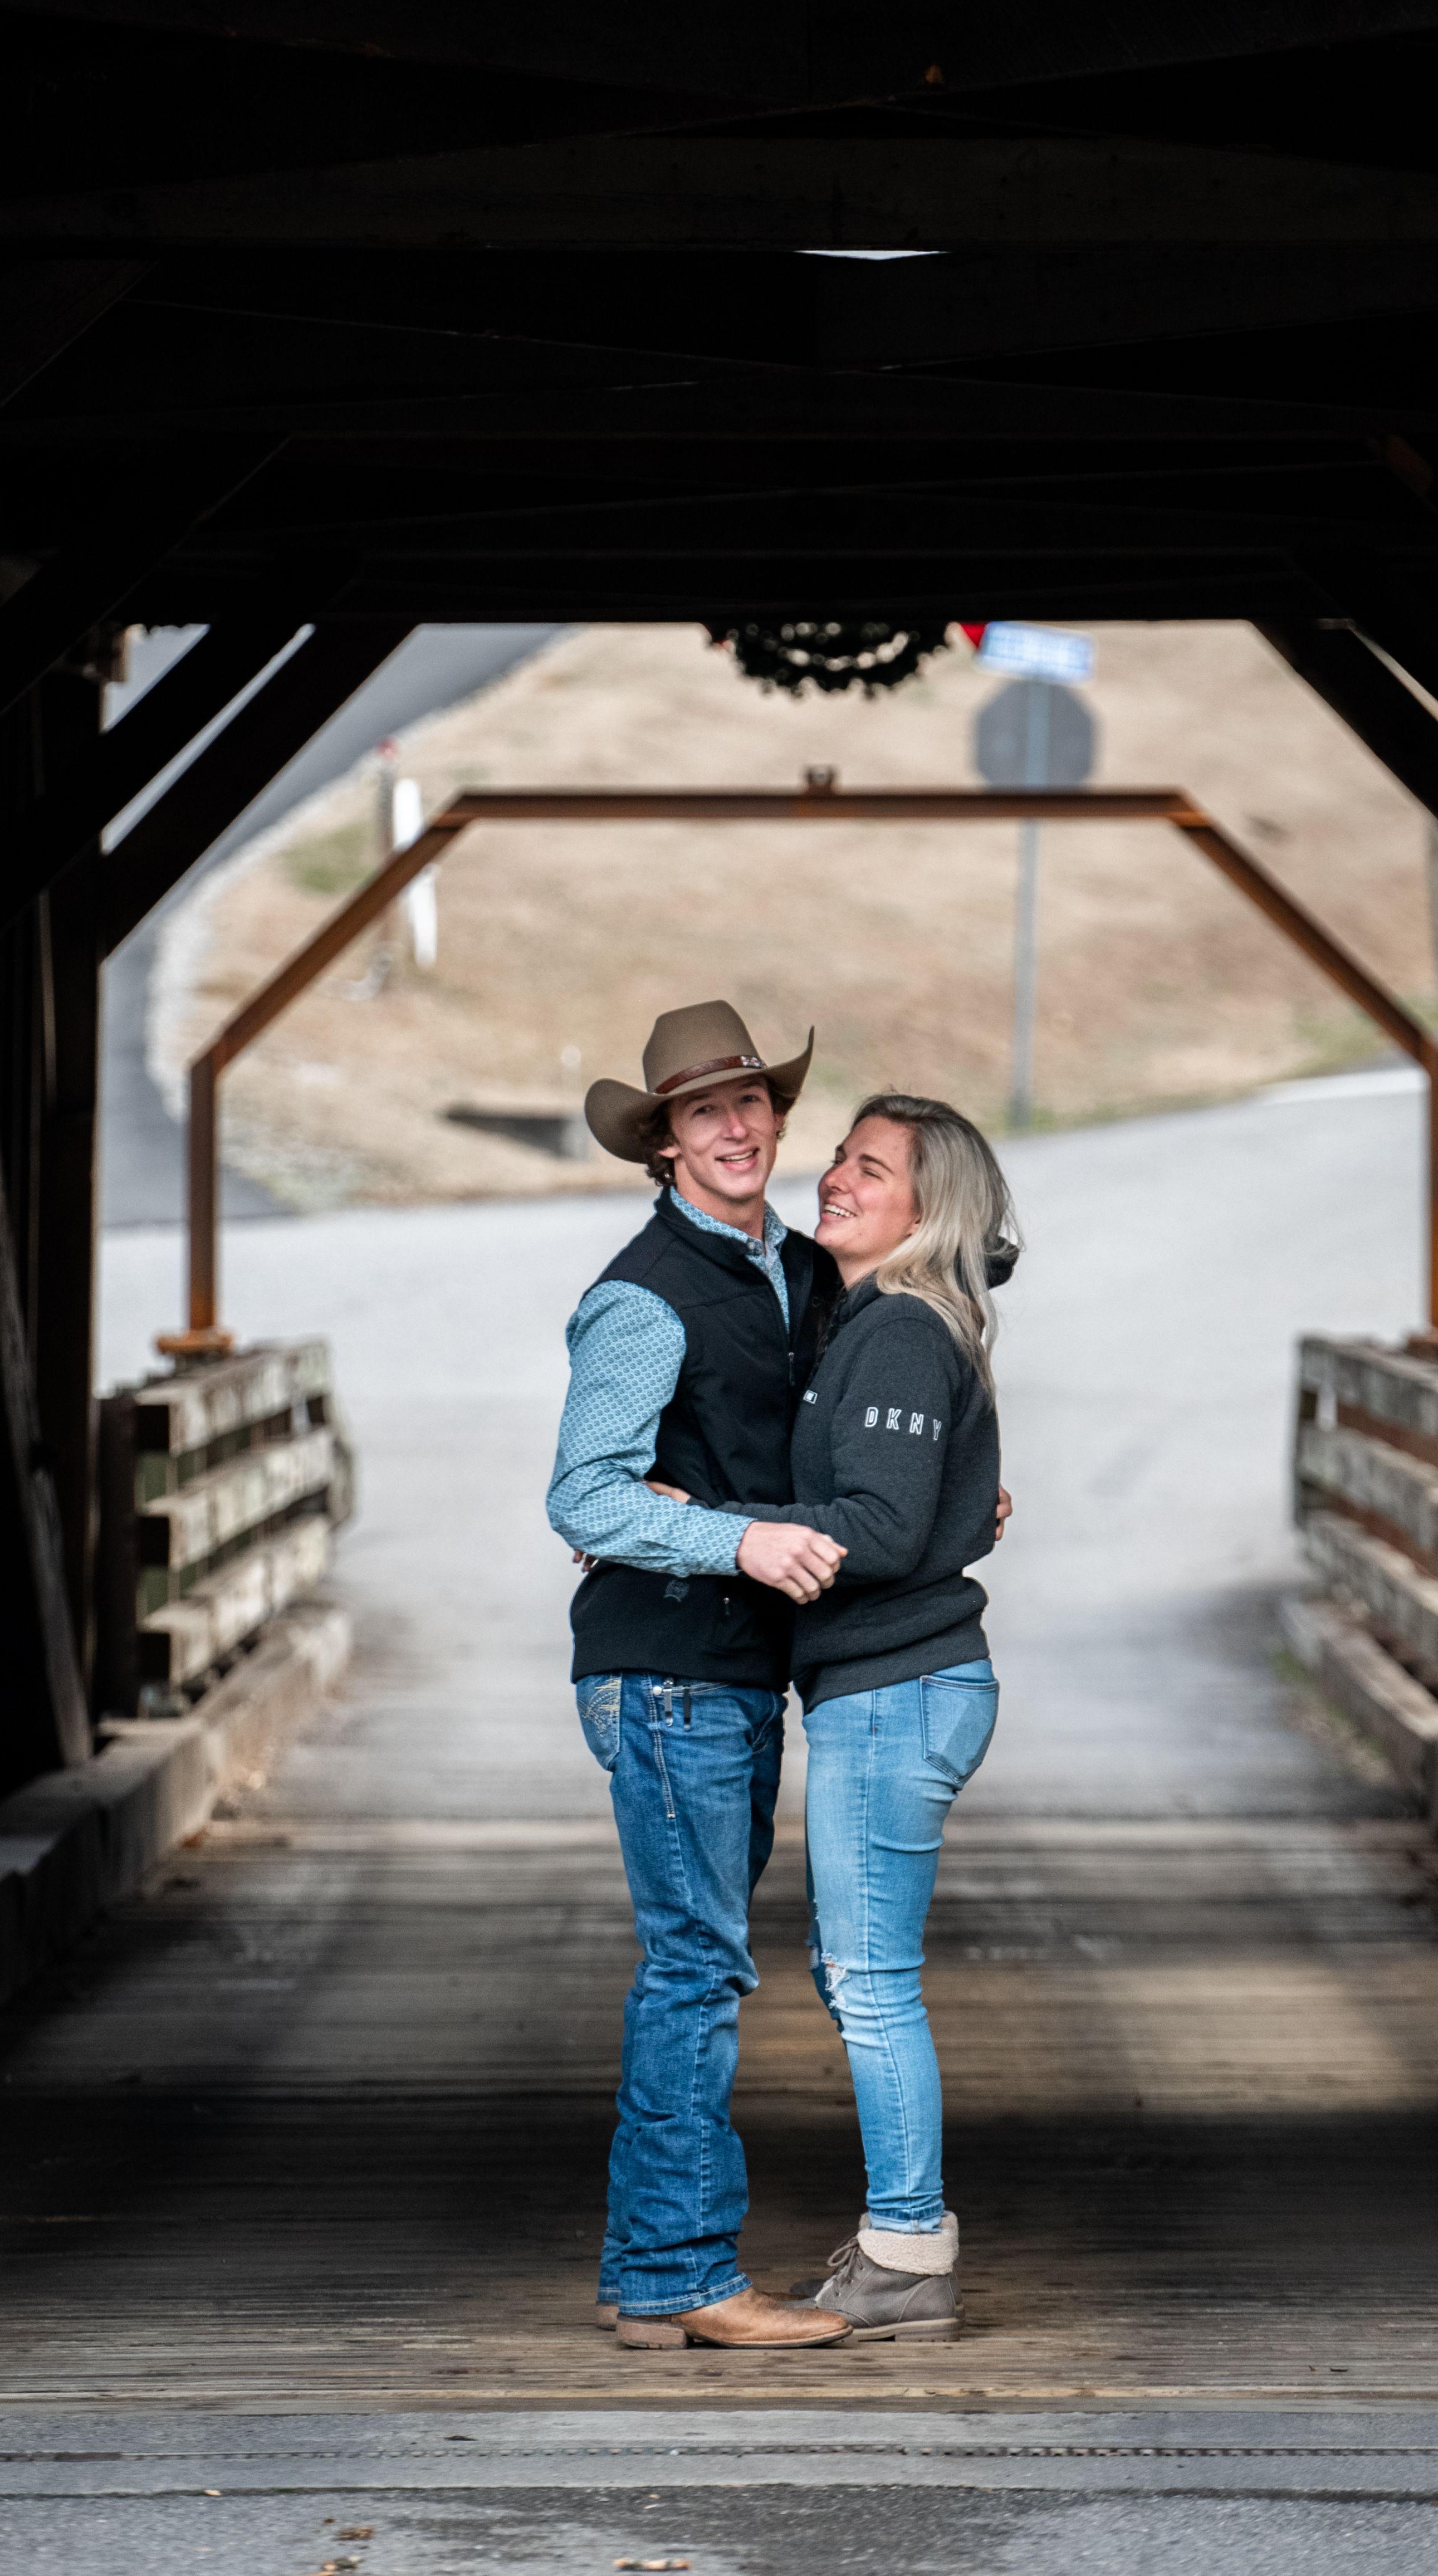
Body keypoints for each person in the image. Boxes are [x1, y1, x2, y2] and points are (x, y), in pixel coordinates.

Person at [669, 1091, 1019, 2342]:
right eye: (841, 1156)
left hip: (897, 1688)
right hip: (888, 1689)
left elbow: (879, 1525)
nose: (836, 1177)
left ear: (929, 1208)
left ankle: (908, 2248)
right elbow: (918, 1501)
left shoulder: (903, 1331)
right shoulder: (872, 1321)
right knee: (852, 1970)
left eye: (871, 1167)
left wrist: (709, 1529)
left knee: (868, 1979)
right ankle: (902, 2237)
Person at [545, 1001, 855, 2351]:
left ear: (776, 1116)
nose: (733, 1126)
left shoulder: (804, 1270)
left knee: (697, 1961)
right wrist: (737, 1536)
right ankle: (681, 2273)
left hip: (734, 1667)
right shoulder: (641, 1296)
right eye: (700, 1111)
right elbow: (584, 1495)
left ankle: (648, 2275)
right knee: (695, 1966)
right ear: (661, 1143)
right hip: (667, 1663)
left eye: (749, 1101)